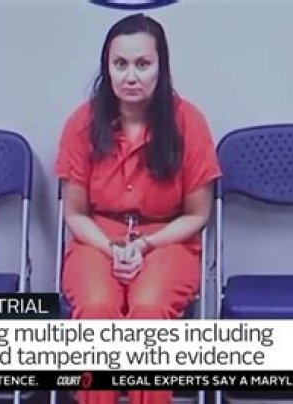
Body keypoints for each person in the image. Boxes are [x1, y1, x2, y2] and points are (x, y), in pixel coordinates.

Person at [55, 13, 222, 404]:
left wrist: (145, 245)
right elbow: (75, 213)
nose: (131, 76)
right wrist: (112, 248)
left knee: (148, 312)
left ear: (161, 67)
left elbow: (198, 214)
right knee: (96, 309)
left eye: (143, 64)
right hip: (97, 239)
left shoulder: (189, 122)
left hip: (167, 240)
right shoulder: (82, 123)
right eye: (120, 64)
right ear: (107, 68)